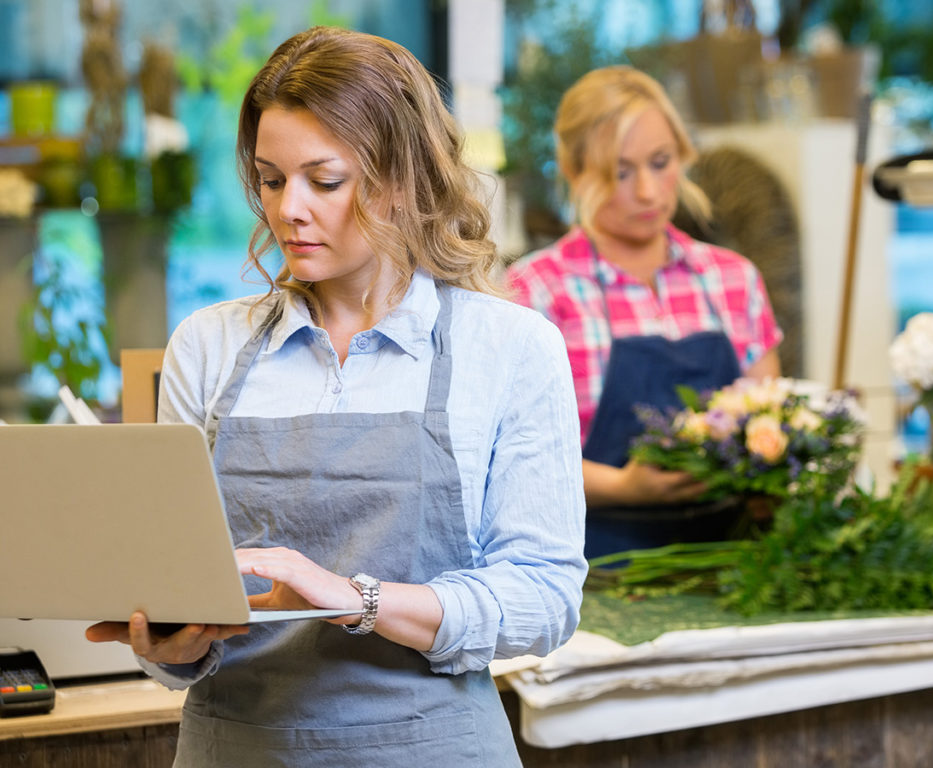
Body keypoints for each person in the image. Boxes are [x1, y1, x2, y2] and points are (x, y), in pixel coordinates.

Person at [86, 26, 586, 767]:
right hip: (234, 748)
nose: (289, 209)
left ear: (401, 179)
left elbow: (545, 599)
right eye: (269, 177)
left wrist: (356, 597)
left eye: (324, 180)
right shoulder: (208, 346)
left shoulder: (508, 346)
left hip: (434, 749)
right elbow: (175, 607)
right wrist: (170, 645)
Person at [505, 65, 782, 559]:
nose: (649, 192)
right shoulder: (534, 293)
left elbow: (770, 427)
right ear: (574, 171)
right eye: (621, 172)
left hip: (734, 562)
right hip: (591, 569)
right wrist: (622, 487)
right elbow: (509, 465)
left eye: (661, 162)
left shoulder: (733, 280)